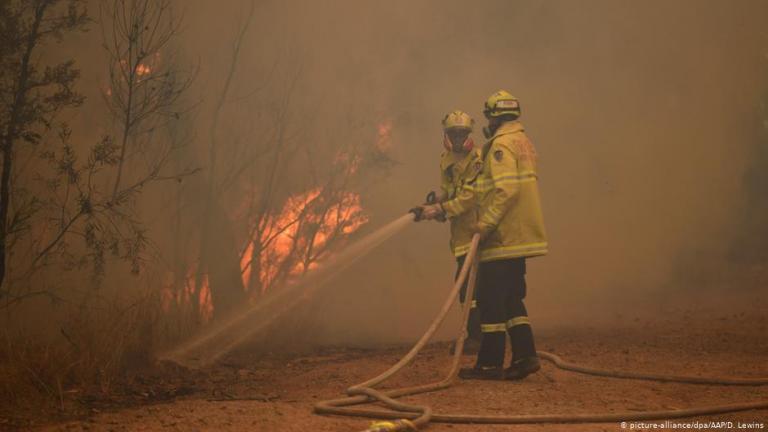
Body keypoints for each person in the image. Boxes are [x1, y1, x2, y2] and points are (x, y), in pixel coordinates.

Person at [420, 91, 548, 380]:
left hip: (504, 235)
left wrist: (485, 223)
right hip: (520, 234)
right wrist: (442, 204)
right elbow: (481, 189)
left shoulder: (500, 146)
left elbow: (503, 191)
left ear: (493, 116)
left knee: (490, 299)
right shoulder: (523, 142)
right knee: (513, 300)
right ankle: (526, 357)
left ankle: (489, 364)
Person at [425, 110, 484, 347]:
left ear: (470, 134)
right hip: (460, 233)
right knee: (465, 284)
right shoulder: (446, 159)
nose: (458, 139)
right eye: (453, 134)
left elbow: (470, 197)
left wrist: (441, 210)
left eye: (463, 134)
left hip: (478, 230)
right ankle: (474, 335)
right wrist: (436, 201)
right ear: (446, 135)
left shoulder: (478, 159)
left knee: (470, 286)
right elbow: (450, 191)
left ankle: (476, 337)